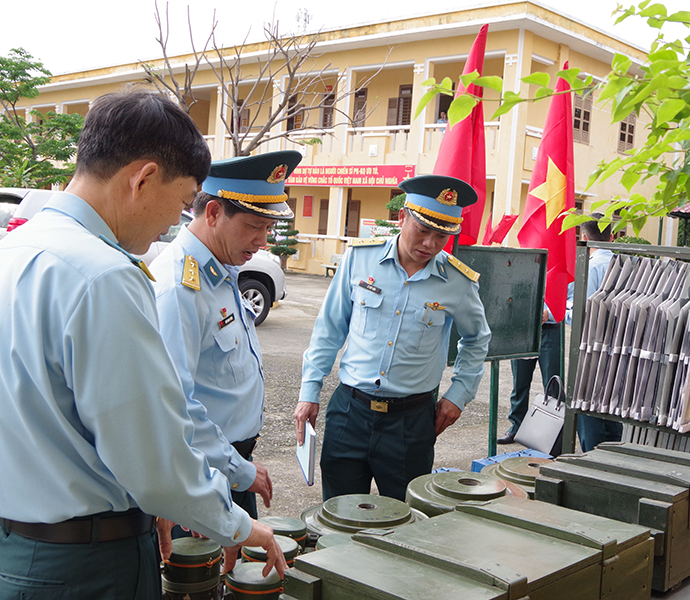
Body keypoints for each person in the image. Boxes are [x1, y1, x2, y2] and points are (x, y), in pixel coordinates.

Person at [0, 89, 285, 600]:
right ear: (144, 178)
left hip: (19, 546)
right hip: (86, 566)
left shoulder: (15, 248)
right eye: (179, 205)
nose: (171, 225)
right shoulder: (104, 275)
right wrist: (239, 526)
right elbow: (154, 459)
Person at [294, 175, 491, 501]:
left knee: (403, 519)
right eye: (423, 230)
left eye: (441, 236)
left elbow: (477, 338)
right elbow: (329, 328)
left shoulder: (457, 282)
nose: (429, 243)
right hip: (350, 413)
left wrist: (459, 393)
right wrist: (309, 390)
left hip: (410, 423)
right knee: (340, 513)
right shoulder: (360, 259)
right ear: (402, 217)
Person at [149, 151, 302, 525]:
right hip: (203, 473)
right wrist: (238, 469)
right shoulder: (180, 287)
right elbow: (174, 406)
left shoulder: (223, 269)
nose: (263, 241)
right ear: (214, 213)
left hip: (229, 465)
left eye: (268, 228)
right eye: (255, 226)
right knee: (203, 580)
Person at [567, 214, 619, 452]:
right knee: (614, 405)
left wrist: (561, 311)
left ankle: (593, 458)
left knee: (588, 405)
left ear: (584, 238)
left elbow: (580, 313)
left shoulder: (589, 267)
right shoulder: (627, 264)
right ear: (612, 236)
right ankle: (615, 455)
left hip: (591, 346)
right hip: (621, 347)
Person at [497, 315, 561, 445]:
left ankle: (553, 432)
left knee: (552, 385)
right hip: (523, 330)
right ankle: (516, 426)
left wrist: (549, 312)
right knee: (519, 382)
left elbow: (570, 302)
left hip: (550, 329)